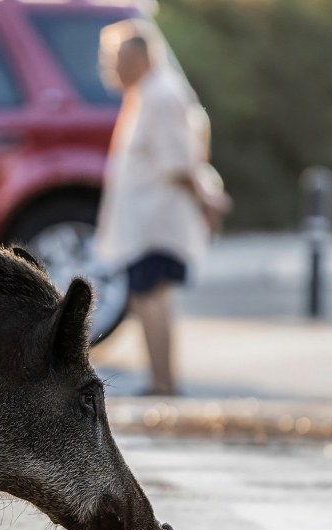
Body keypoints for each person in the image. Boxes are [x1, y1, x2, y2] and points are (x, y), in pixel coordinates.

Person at [93, 20, 230, 396]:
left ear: (137, 58)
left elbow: (181, 161)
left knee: (151, 296)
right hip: (146, 221)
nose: (109, 67)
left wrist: (206, 201)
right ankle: (162, 379)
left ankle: (163, 382)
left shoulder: (160, 96)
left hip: (156, 222)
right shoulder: (147, 93)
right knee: (150, 298)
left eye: (115, 58)